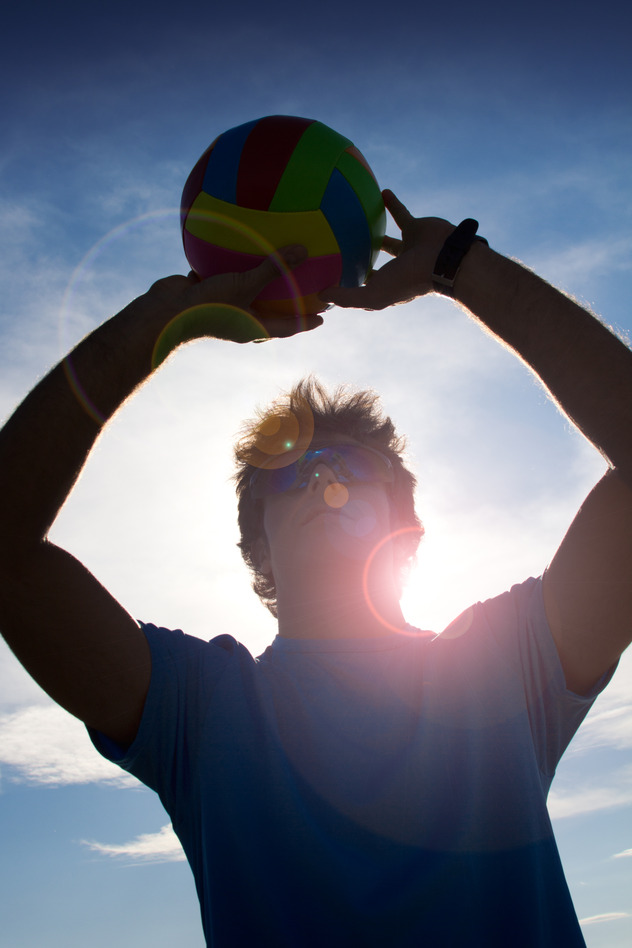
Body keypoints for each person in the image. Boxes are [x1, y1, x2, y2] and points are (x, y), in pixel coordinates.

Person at [0, 190, 630, 947]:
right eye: (289, 475)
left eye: (353, 471)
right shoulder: (199, 710)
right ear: (256, 545)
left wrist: (465, 268)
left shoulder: (503, 663)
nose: (325, 484)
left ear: (408, 526)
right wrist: (155, 323)